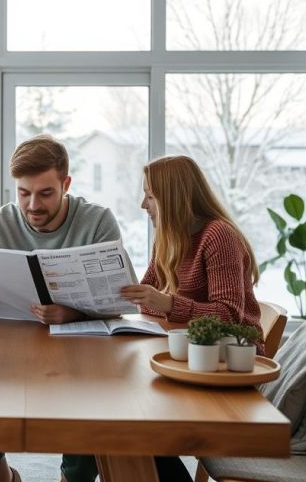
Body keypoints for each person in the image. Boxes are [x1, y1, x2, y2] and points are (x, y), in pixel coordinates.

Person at [0, 134, 122, 482]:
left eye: (45, 193)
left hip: (78, 353)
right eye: (23, 193)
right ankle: (5, 478)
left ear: (66, 184)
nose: (32, 205)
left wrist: (74, 312)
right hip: (4, 347)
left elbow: (115, 300)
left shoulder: (98, 221)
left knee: (95, 408)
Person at [120, 155, 265, 482]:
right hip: (189, 351)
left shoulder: (219, 236)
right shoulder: (168, 236)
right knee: (124, 410)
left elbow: (229, 316)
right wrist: (158, 302)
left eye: (150, 195)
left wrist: (169, 304)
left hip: (228, 361)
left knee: (133, 419)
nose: (143, 204)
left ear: (173, 197)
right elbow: (147, 298)